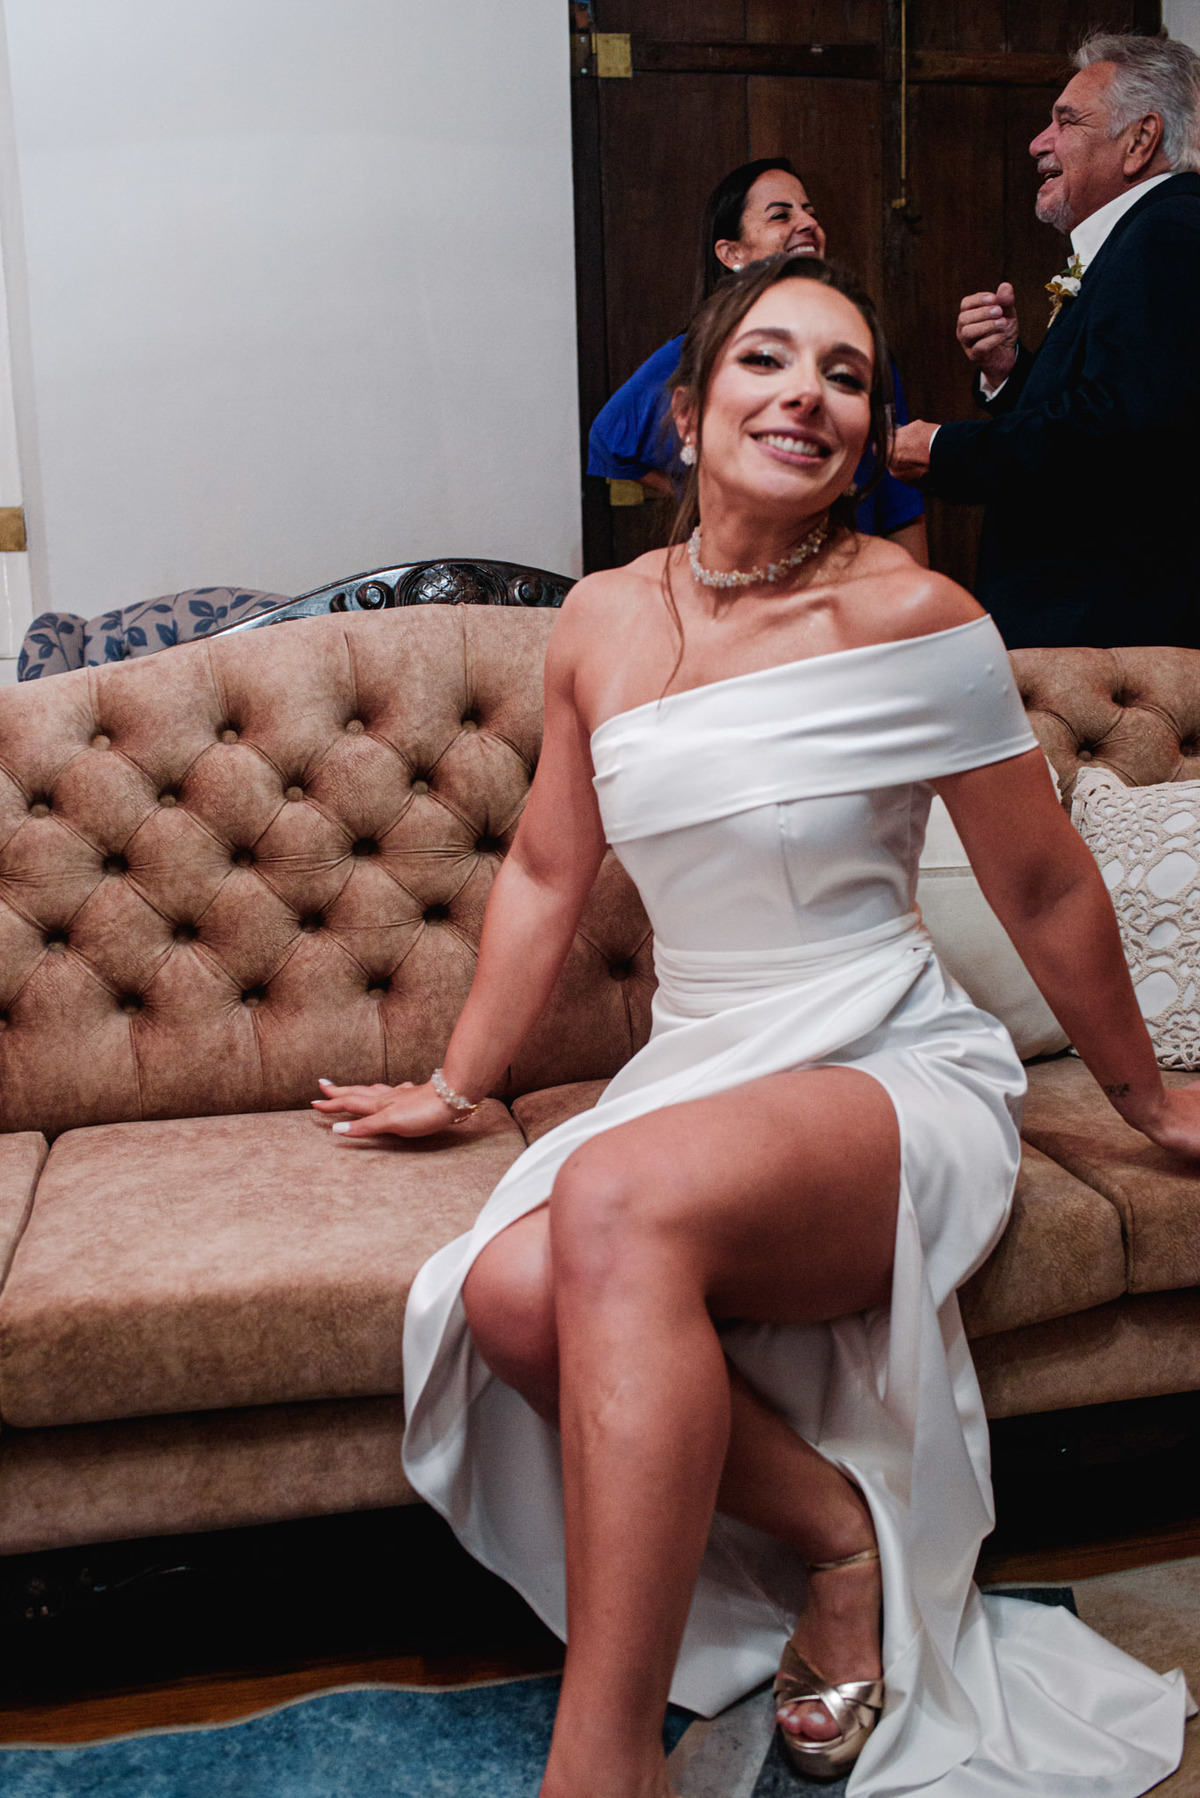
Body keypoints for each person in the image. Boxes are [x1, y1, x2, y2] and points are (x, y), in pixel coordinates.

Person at [314, 257, 1193, 1798]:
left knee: (610, 1193)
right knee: (506, 1299)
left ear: (864, 440)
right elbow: (547, 869)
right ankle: (833, 1533)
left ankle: (603, 1766)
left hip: (884, 1061)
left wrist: (1152, 1100)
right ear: (688, 409)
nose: (809, 393)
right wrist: (457, 1080)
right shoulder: (597, 621)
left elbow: (1046, 882)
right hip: (704, 1065)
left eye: (847, 375)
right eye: (769, 359)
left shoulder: (916, 615)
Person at [891, 33, 1200, 648]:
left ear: (1140, 140)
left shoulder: (1168, 230)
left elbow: (1120, 434)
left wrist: (944, 449)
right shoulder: (1146, 233)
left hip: (1112, 641)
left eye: (1066, 121)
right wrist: (1009, 373)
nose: (1039, 142)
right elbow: (1115, 407)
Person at [590, 157, 929, 564]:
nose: (807, 223)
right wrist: (706, 494)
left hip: (855, 576)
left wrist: (912, 581)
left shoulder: (864, 351)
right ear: (731, 252)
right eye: (781, 215)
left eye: (842, 378)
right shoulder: (701, 352)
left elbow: (899, 497)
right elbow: (609, 441)